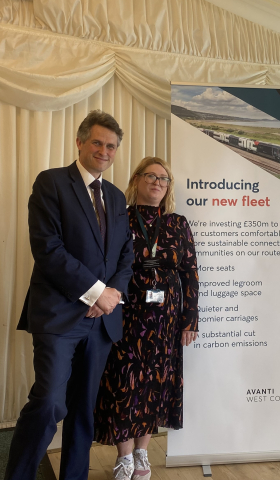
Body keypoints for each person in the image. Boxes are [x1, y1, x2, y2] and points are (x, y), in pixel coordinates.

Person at [5, 111, 135, 480]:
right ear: (80, 142)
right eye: (97, 142)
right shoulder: (51, 183)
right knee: (48, 403)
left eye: (111, 146)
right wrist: (95, 292)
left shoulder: (115, 195)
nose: (104, 151)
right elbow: (48, 248)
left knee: (83, 410)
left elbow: (126, 255)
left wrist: (111, 296)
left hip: (103, 323)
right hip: (59, 317)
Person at [94, 156, 199, 480]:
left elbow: (190, 273)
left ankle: (142, 453)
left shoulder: (177, 223)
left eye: (163, 178)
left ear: (168, 187)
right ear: (137, 180)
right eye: (151, 176)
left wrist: (190, 318)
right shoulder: (118, 219)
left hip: (166, 322)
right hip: (126, 316)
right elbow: (104, 266)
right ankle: (124, 457)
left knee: (155, 386)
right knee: (125, 385)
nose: (157, 182)